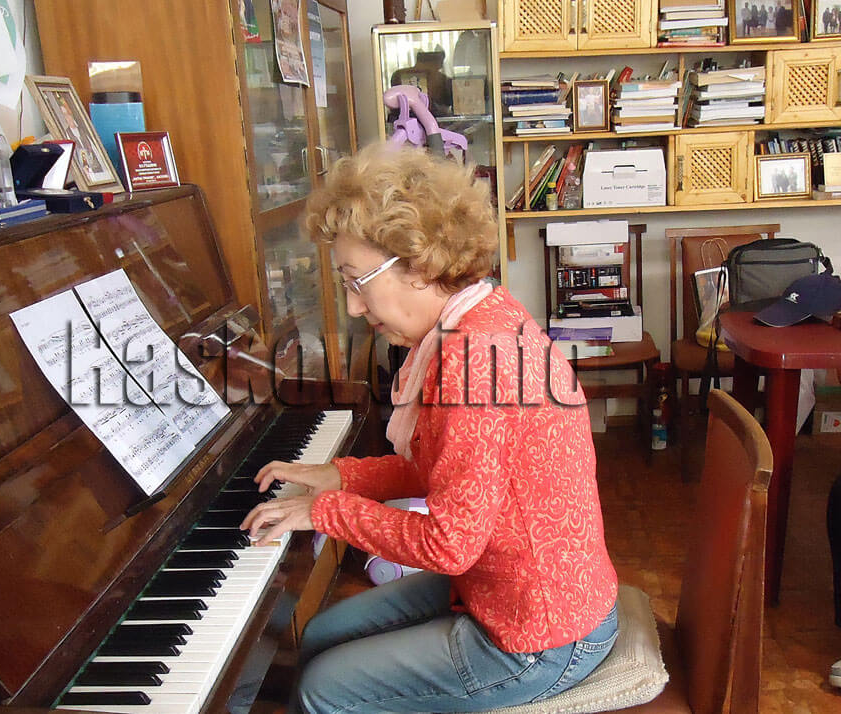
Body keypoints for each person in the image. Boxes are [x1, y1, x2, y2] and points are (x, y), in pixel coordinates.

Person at [240, 144, 619, 713]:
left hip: (541, 635)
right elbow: (448, 473)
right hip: (503, 587)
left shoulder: (475, 361)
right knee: (319, 636)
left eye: (356, 281)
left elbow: (448, 543)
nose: (352, 307)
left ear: (417, 266)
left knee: (322, 688)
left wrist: (325, 512)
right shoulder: (477, 317)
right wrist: (340, 477)